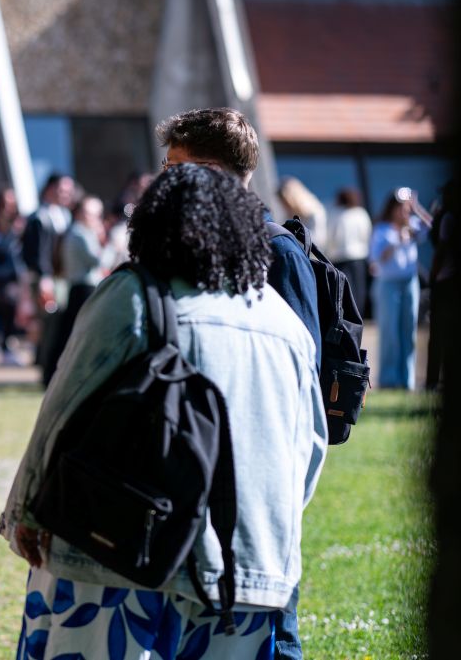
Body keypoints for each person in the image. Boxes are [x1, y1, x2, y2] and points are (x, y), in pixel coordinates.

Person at [0, 164, 327, 659]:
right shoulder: (284, 322)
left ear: (152, 225)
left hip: (119, 556)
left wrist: (23, 511)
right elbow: (310, 448)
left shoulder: (133, 293)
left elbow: (63, 406)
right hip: (247, 574)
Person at [155, 107, 321, 660]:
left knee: (274, 633)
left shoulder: (276, 252)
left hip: (259, 479)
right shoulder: (194, 240)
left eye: (174, 167)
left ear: (211, 172)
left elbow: (298, 382)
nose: (165, 179)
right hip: (204, 474)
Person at [369, 187, 432, 390]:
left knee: (408, 331)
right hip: (388, 284)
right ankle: (388, 380)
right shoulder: (382, 229)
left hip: (409, 282)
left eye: (406, 208)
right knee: (390, 333)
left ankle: (407, 380)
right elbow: (375, 260)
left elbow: (432, 226)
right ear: (392, 208)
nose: (404, 212)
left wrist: (417, 208)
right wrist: (397, 242)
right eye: (401, 207)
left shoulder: (412, 225)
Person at [44, 194, 106, 382]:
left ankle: (55, 373)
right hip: (84, 288)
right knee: (74, 333)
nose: (94, 218)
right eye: (91, 214)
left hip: (80, 288)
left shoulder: (77, 231)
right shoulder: (80, 233)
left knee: (68, 332)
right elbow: (98, 260)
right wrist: (113, 246)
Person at [21, 173, 75, 381]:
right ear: (50, 189)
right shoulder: (39, 217)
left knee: (57, 324)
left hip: (61, 279)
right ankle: (46, 369)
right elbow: (34, 253)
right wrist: (43, 278)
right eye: (62, 190)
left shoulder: (64, 215)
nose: (66, 194)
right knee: (47, 325)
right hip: (45, 280)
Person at [0, 186, 27, 365]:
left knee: (13, 309)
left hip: (15, 274)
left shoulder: (19, 223)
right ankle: (4, 345)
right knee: (4, 308)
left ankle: (8, 343)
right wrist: (11, 233)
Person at [427, 180, 458, 390]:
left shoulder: (448, 217)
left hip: (445, 281)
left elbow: (441, 250)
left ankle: (433, 380)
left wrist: (433, 275)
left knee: (438, 333)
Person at [327, 187, 372, 313]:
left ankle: (345, 316)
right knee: (359, 290)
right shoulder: (361, 213)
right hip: (359, 257)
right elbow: (367, 235)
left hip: (340, 257)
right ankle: (358, 315)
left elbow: (332, 236)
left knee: (343, 290)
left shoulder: (336, 213)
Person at [277, 176, 328, 253]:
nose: (284, 207)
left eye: (286, 203)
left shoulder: (314, 213)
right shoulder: (288, 216)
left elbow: (318, 240)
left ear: (294, 199)